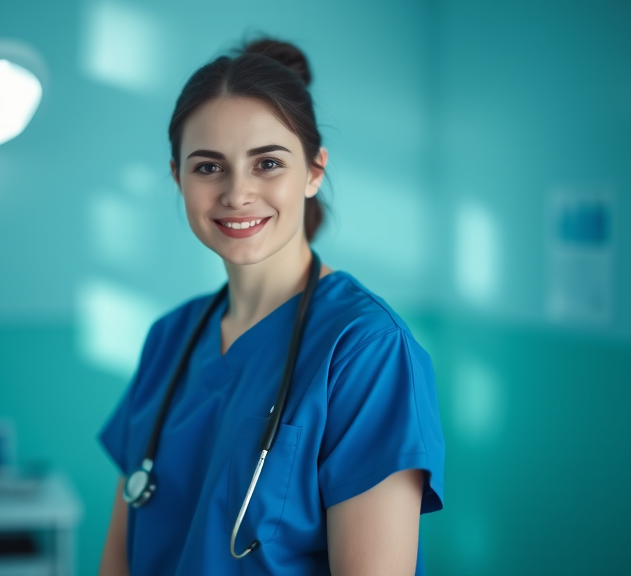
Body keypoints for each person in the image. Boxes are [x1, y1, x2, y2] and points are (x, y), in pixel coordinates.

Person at [97, 38, 445, 576]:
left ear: (313, 171)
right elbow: (118, 559)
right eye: (208, 167)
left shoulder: (366, 351)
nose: (237, 193)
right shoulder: (169, 338)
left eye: (267, 163)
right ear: (177, 178)